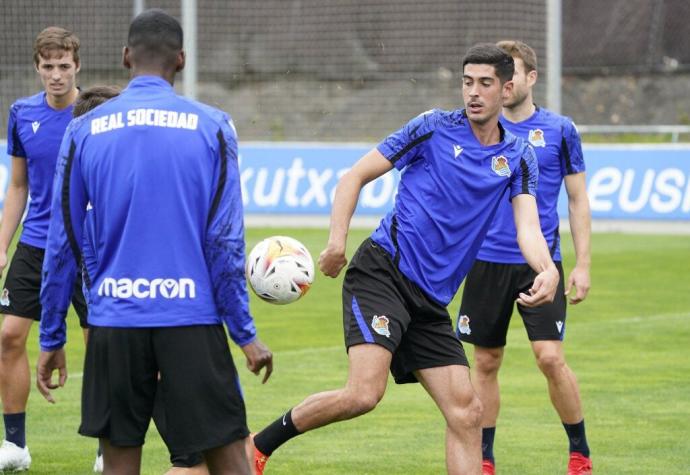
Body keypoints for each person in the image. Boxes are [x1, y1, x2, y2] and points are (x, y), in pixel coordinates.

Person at [246, 43, 560, 475]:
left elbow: (528, 227)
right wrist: (336, 242)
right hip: (383, 273)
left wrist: (547, 269)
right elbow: (353, 176)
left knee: (467, 412)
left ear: (507, 89)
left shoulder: (520, 157)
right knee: (363, 394)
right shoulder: (432, 128)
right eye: (467, 81)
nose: (473, 92)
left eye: (485, 83)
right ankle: (258, 446)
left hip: (430, 301)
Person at [35, 9, 272, 475]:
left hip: (114, 322)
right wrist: (244, 334)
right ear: (181, 61)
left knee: (119, 461)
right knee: (229, 460)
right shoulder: (213, 126)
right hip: (190, 319)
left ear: (125, 57)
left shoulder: (84, 130)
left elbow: (62, 242)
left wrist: (52, 335)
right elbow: (225, 243)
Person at [456, 40, 592, 475]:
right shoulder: (472, 129)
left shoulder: (560, 130)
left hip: (540, 264)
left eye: (510, 74)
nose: (505, 83)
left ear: (530, 79)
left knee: (550, 358)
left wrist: (583, 263)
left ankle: (579, 452)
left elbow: (577, 199)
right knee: (485, 361)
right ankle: (486, 458)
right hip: (485, 261)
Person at [72, 85, 208, 475]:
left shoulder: (101, 200)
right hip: (147, 343)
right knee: (202, 460)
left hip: (129, 342)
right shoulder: (105, 212)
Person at [0, 26, 89, 472]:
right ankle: (15, 446)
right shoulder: (21, 114)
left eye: (64, 66)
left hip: (89, 246)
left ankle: (106, 447)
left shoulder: (95, 112)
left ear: (77, 66)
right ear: (37, 67)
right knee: (8, 335)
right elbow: (18, 185)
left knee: (104, 344)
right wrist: (2, 245)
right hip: (36, 245)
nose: (56, 75)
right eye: (48, 66)